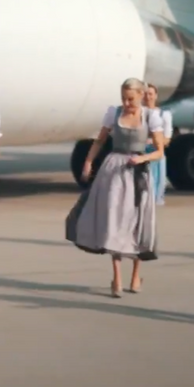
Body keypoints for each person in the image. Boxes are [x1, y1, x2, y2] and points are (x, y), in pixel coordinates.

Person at [67, 78, 166, 296]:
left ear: (141, 95)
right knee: (114, 221)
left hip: (138, 172)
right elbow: (100, 141)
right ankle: (117, 278)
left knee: (137, 222)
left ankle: (135, 276)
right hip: (114, 170)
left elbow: (160, 151)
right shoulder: (114, 113)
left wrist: (143, 159)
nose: (127, 102)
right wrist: (88, 161)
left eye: (131, 98)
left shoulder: (150, 117)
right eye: (124, 98)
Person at [143, 84, 174, 205]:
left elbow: (167, 138)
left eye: (150, 94)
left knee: (157, 184)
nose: (148, 97)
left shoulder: (164, 115)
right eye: (145, 94)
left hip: (156, 154)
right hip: (140, 153)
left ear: (155, 96)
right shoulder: (138, 113)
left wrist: (155, 142)